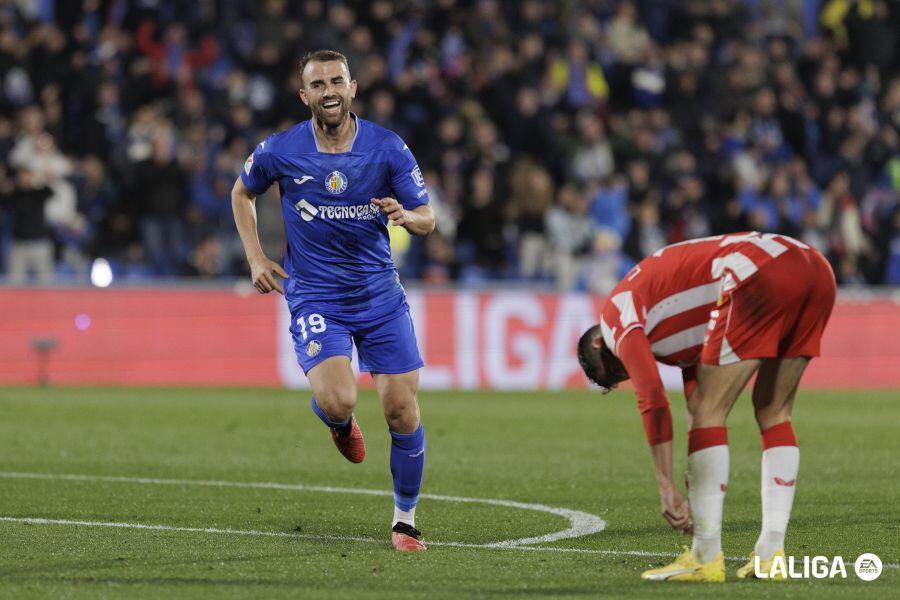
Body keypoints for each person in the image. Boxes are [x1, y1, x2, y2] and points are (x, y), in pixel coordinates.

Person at [231, 50, 435, 551]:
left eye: (336, 81)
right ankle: (338, 422)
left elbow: (429, 216)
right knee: (338, 398)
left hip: (380, 296)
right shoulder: (281, 150)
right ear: (305, 95)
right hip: (316, 295)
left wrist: (407, 217)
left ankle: (405, 521)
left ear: (353, 87)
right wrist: (256, 258)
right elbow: (242, 192)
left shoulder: (387, 148)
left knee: (401, 411)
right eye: (318, 84)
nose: (329, 91)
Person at [577, 232, 835, 581]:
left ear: (598, 343)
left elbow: (652, 396)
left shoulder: (614, 318)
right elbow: (695, 395)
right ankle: (771, 554)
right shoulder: (672, 327)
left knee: (711, 411)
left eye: (614, 369)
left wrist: (665, 483)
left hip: (757, 270)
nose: (625, 371)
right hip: (815, 268)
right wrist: (696, 484)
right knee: (772, 410)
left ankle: (705, 556)